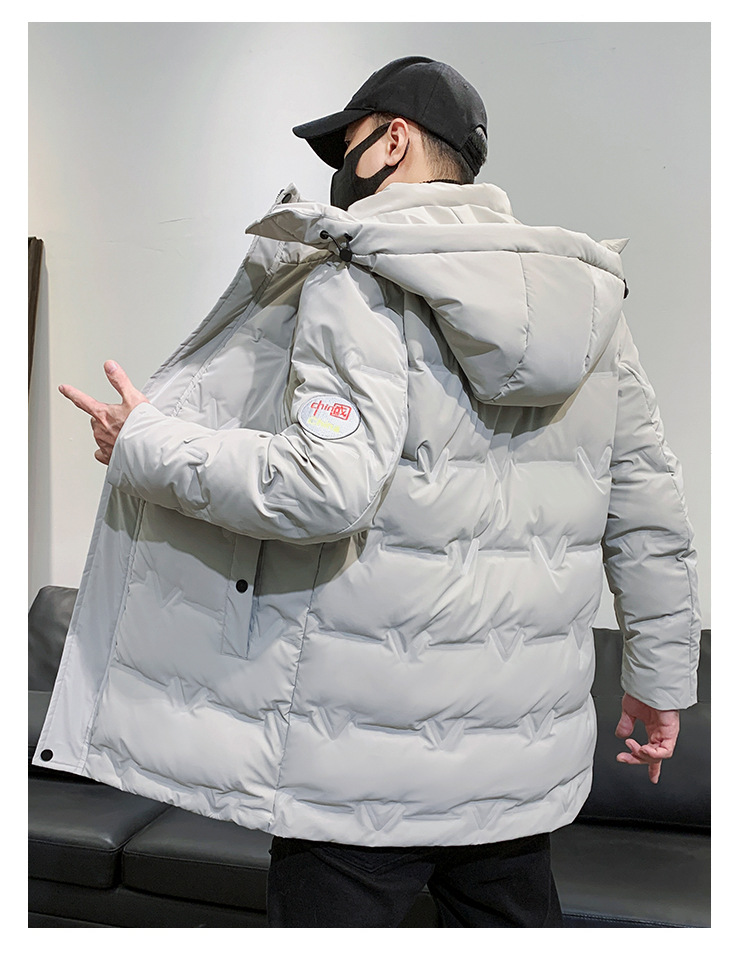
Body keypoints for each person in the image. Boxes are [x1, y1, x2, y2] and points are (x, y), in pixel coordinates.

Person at [37, 56, 699, 928]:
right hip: (517, 771)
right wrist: (659, 681)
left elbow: (322, 487)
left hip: (354, 774)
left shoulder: (360, 275)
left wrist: (145, 444)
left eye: (346, 144)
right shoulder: (588, 303)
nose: (338, 171)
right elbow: (648, 516)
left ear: (393, 141)